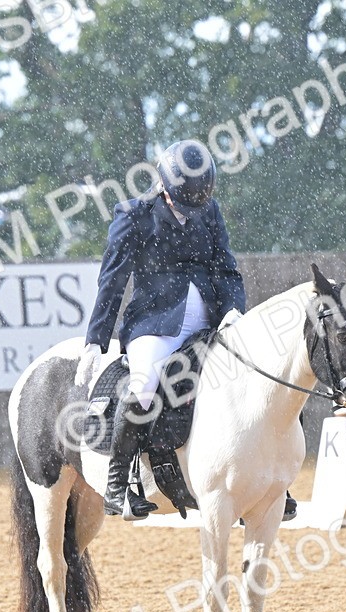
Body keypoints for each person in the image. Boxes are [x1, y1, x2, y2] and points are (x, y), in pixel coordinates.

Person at [76, 140, 296, 521]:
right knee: (144, 386)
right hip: (155, 323)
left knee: (257, 378)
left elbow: (226, 268)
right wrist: (96, 340)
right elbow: (112, 281)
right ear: (163, 186)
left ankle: (270, 481)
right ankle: (118, 482)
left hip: (211, 320)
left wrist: (232, 311)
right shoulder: (134, 214)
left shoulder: (208, 210)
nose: (190, 211)